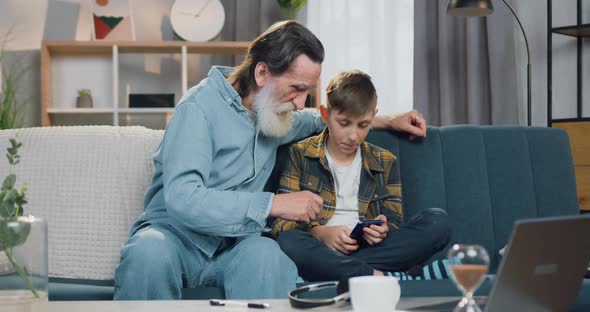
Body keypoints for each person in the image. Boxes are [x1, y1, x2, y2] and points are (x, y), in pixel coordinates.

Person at [113, 21, 427, 300]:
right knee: (148, 251)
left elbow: (320, 120)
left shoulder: (274, 113)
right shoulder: (197, 109)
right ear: (262, 72)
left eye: (307, 91)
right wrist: (274, 205)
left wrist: (385, 121)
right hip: (175, 240)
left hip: (235, 247)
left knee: (268, 253)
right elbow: (183, 198)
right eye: (297, 88)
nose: (300, 101)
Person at [271, 70, 451, 286]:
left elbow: (393, 221)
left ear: (373, 116)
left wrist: (382, 231)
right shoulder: (300, 154)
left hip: (367, 250)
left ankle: (342, 272)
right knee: (288, 241)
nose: (353, 135)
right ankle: (381, 276)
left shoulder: (384, 161)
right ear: (325, 114)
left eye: (363, 125)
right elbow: (281, 224)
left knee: (438, 221)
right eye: (344, 123)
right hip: (318, 246)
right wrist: (320, 233)